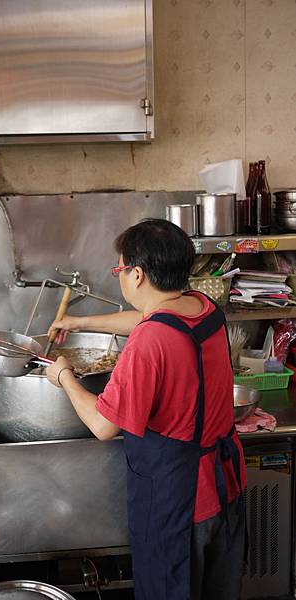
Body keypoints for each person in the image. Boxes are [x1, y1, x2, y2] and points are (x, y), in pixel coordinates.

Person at [45, 218, 246, 600]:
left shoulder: (148, 344)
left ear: (137, 275)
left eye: (119, 269)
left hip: (179, 504)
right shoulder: (204, 308)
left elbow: (104, 425)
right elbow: (147, 319)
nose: (119, 276)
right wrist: (79, 320)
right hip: (224, 489)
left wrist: (65, 377)